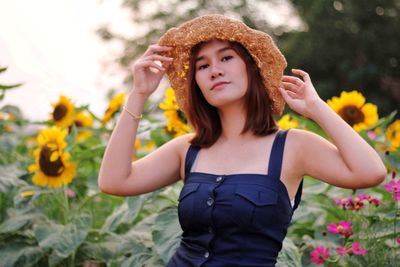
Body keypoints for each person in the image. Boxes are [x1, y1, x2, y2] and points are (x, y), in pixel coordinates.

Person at [98, 14, 386, 266]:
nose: (215, 70)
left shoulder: (293, 146)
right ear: (197, 83)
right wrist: (139, 95)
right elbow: (114, 181)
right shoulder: (187, 149)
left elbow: (370, 172)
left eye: (226, 58)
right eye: (202, 65)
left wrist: (317, 109)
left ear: (252, 68)